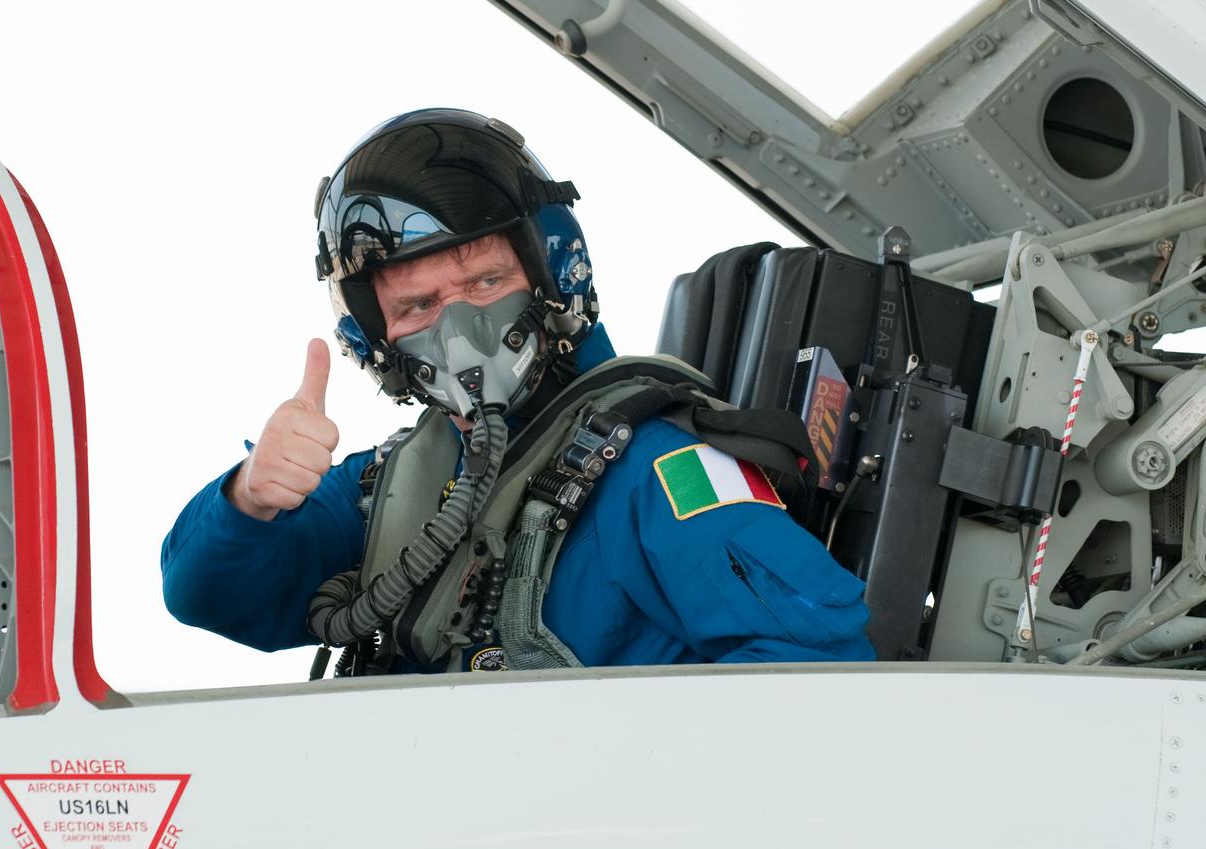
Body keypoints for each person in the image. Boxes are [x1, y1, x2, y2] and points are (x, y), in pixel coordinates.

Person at [161, 108, 873, 673]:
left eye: (486, 282)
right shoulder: (393, 485)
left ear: (550, 277)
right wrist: (250, 499)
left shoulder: (661, 473)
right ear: (378, 339)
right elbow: (207, 596)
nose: (460, 329)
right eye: (418, 306)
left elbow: (820, 666)